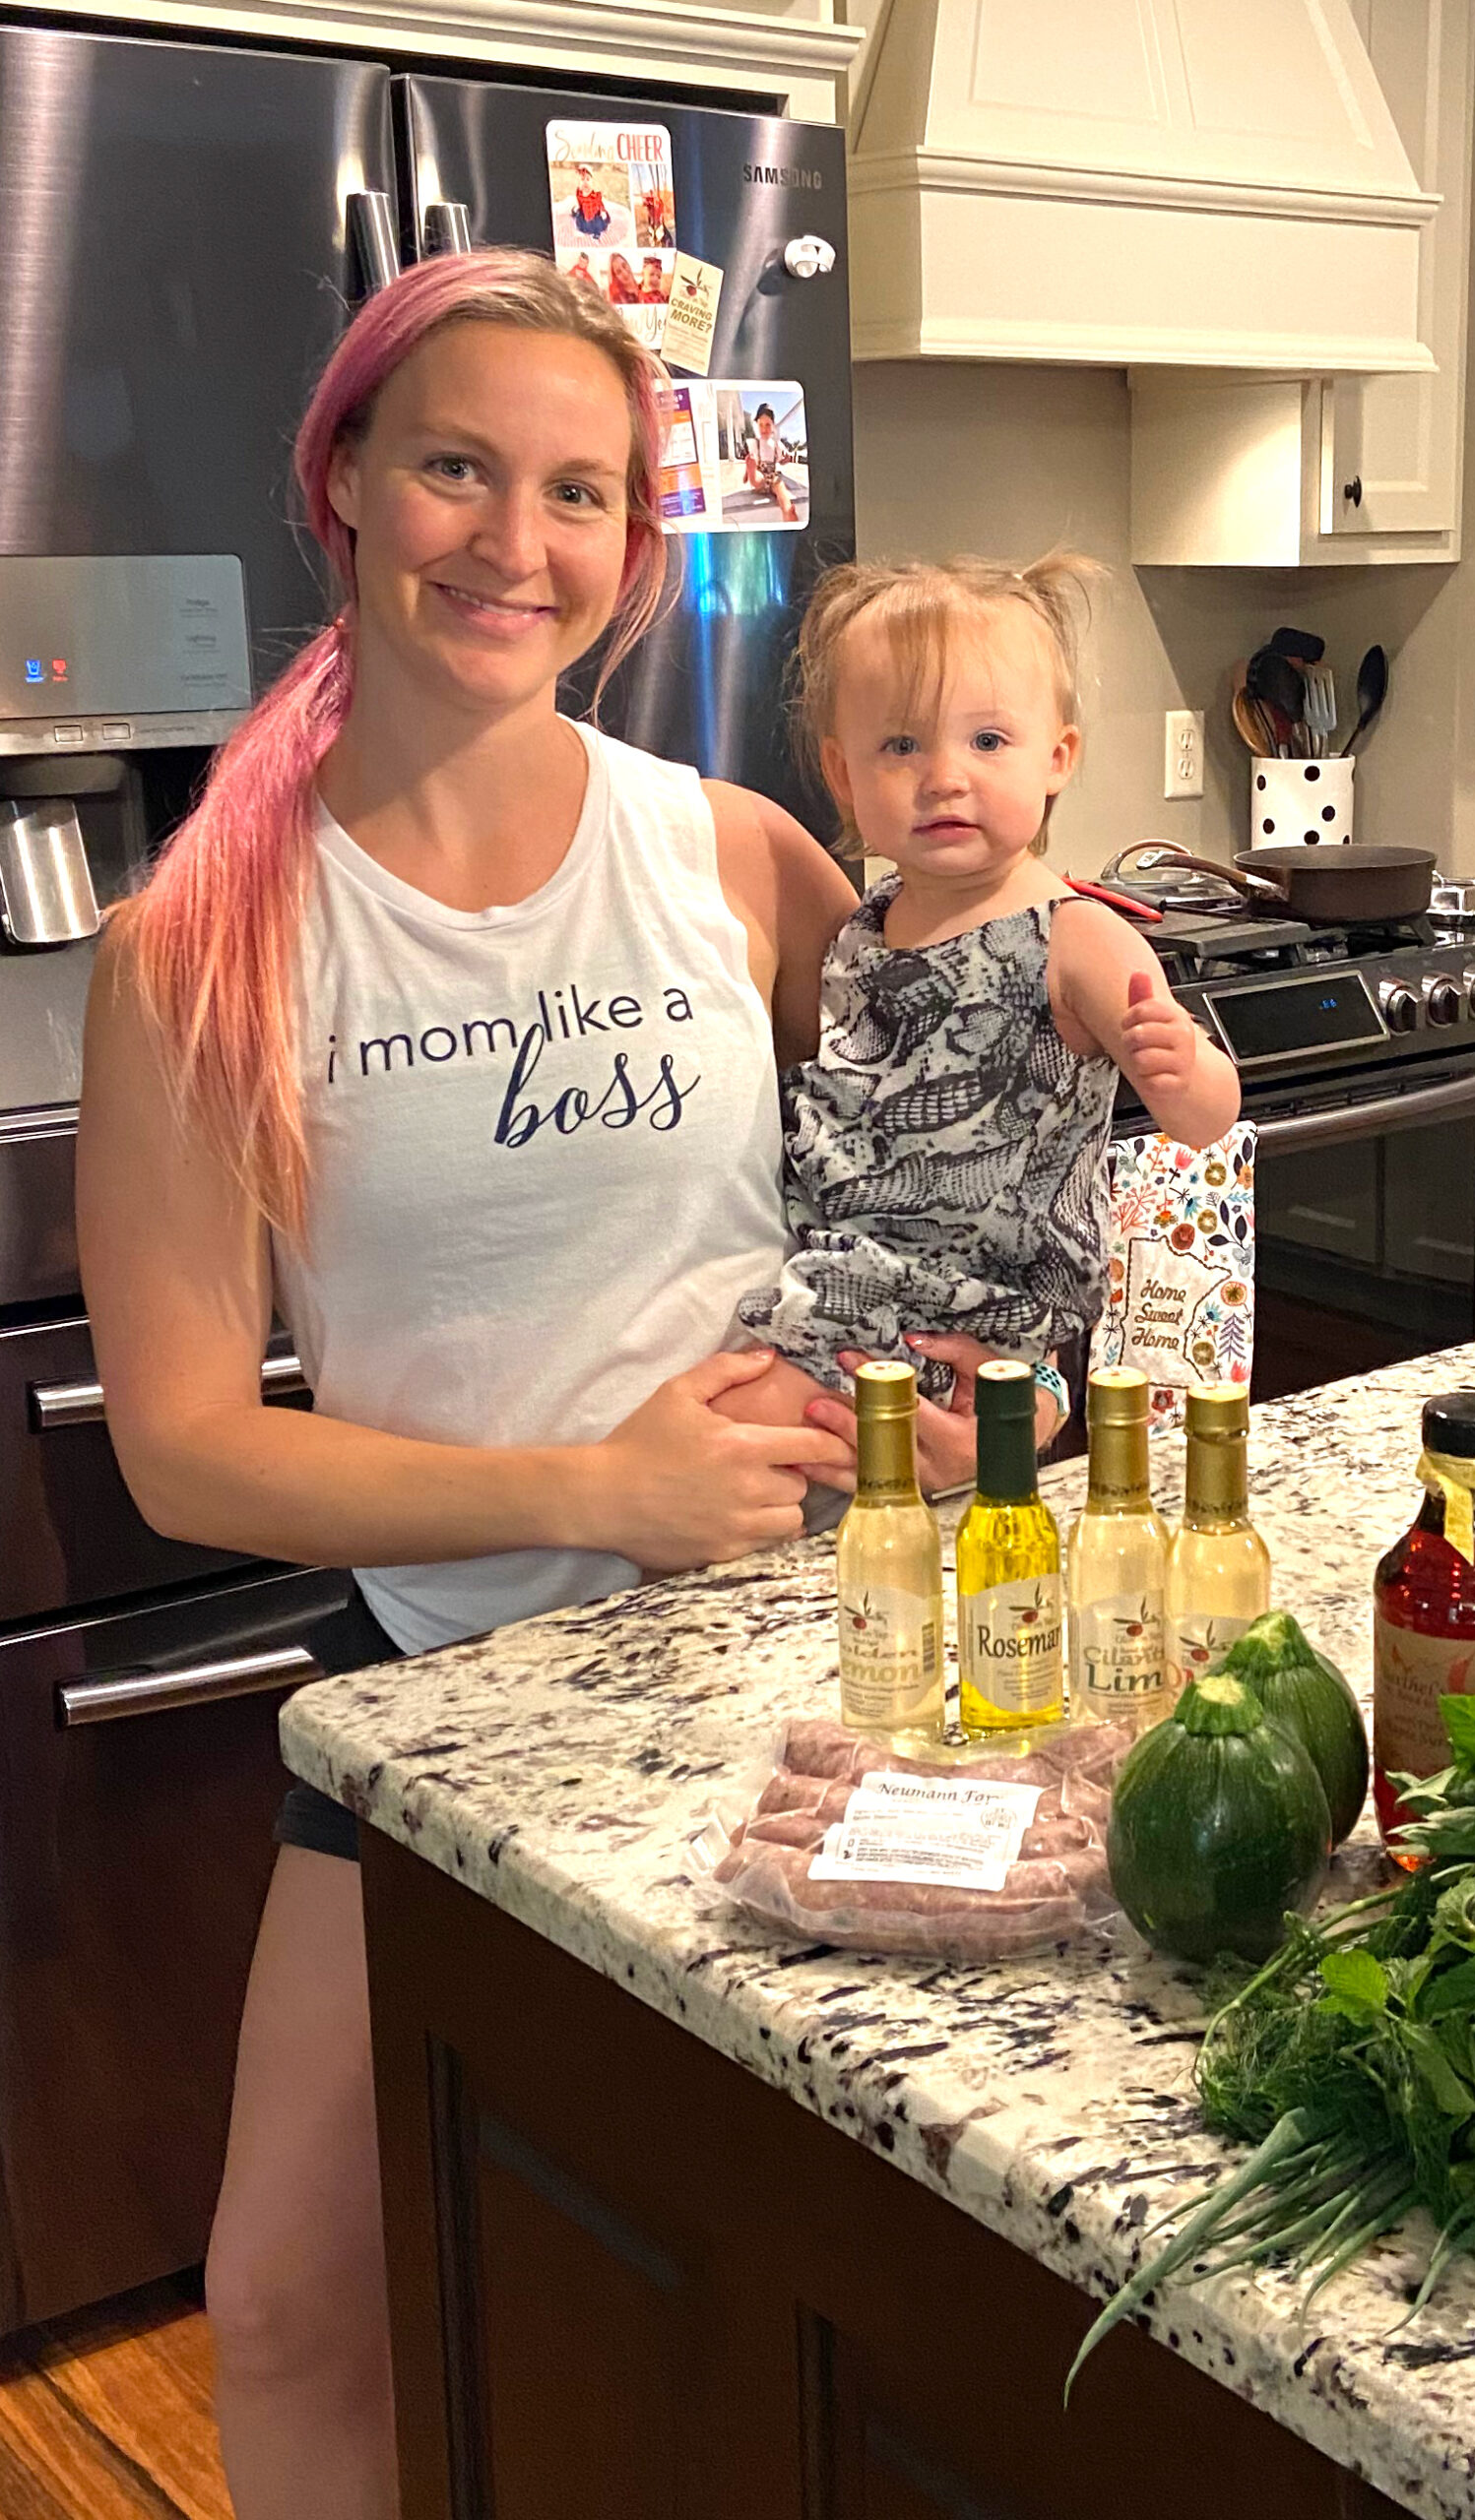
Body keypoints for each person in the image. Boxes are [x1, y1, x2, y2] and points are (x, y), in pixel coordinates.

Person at [75, 251, 1014, 2511]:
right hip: (439, 1683)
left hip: (793, 1652)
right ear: (344, 487)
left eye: (576, 490)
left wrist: (947, 1373)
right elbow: (191, 1444)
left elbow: (926, 1182)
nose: (515, 542)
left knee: (796, 2269)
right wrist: (589, 1470)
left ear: (633, 545)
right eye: (458, 469)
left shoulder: (726, 850)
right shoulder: (200, 938)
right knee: (296, 2297)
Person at [727, 554, 1240, 1413]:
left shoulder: (1077, 939)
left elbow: (1208, 1118)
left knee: (741, 1432)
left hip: (966, 1313)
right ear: (843, 773)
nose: (945, 776)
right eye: (901, 744)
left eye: (988, 740)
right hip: (845, 1282)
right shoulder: (863, 924)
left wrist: (1182, 1067)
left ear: (1057, 757)